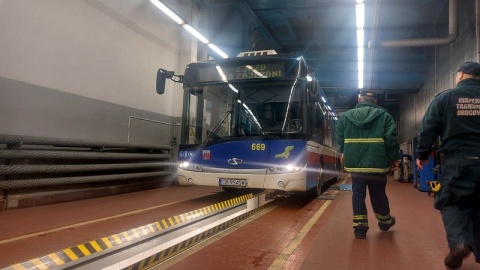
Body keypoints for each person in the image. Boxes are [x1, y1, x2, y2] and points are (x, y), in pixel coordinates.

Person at [416, 61, 480, 269]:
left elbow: (429, 128)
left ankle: (459, 243)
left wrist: (422, 154)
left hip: (458, 161)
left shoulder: (445, 98)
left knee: (450, 202)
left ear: (461, 75)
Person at [336, 89, 400, 239]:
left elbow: (340, 137)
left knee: (358, 195)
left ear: (359, 99)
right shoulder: (385, 117)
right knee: (378, 195)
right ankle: (384, 222)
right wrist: (393, 158)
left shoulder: (345, 117)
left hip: (356, 166)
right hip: (377, 163)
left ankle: (360, 230)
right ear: (376, 101)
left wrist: (343, 151)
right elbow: (391, 139)